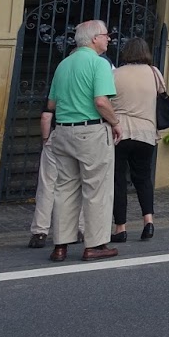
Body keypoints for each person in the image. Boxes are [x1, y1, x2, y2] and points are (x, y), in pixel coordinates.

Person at [43, 19, 120, 262]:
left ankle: (60, 245)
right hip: (91, 131)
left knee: (65, 189)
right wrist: (116, 123)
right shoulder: (99, 64)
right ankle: (95, 244)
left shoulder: (63, 64)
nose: (109, 39)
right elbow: (101, 101)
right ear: (95, 38)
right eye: (106, 35)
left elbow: (52, 104)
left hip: (63, 131)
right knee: (97, 189)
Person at [110, 37, 162, 242]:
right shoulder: (154, 73)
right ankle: (148, 222)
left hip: (119, 132)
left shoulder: (115, 74)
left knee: (118, 181)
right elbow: (162, 97)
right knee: (143, 178)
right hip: (146, 133)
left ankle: (120, 228)